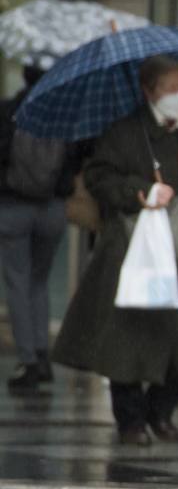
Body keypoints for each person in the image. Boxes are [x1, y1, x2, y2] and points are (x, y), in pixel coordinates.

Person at [52, 55, 178, 444]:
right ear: (149, 90)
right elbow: (98, 177)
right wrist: (139, 192)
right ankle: (130, 419)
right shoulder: (125, 131)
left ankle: (160, 411)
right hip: (133, 251)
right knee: (126, 341)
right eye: (170, 88)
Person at [1, 64, 77, 391]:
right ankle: (43, 354)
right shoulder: (64, 115)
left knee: (17, 283)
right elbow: (77, 158)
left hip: (13, 208)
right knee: (39, 282)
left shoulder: (8, 111)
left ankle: (28, 360)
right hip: (53, 210)